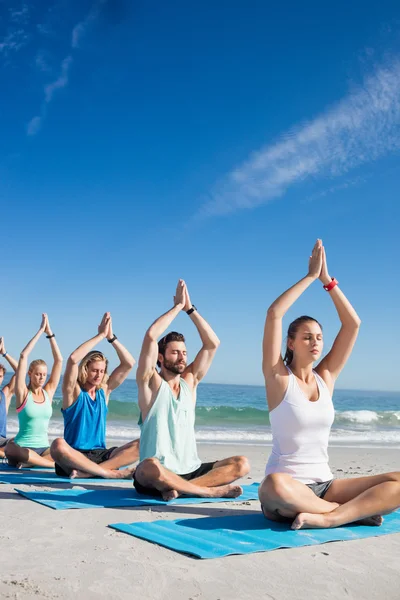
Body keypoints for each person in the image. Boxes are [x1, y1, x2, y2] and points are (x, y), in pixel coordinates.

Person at [259, 239, 400, 529]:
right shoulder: (278, 378)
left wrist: (328, 282)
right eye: (307, 336)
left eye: (319, 337)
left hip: (326, 484)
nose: (315, 342)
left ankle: (331, 517)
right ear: (291, 342)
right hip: (288, 488)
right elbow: (274, 314)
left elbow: (353, 324)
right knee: (272, 485)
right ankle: (346, 512)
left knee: (397, 481)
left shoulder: (326, 378)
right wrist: (310, 277)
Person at [133, 279, 250, 500]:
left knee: (241, 464)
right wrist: (177, 307)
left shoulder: (190, 382)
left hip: (190, 471)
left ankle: (181, 489)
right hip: (158, 472)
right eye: (175, 352)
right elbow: (151, 336)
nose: (182, 357)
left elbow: (212, 344)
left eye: (184, 353)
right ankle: (206, 491)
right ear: (161, 357)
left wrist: (190, 309)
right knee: (150, 466)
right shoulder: (151, 383)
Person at [50, 312, 139, 479]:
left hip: (100, 455)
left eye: (102, 371)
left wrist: (111, 338)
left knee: (143, 443)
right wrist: (100, 335)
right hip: (75, 456)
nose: (99, 375)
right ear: (85, 369)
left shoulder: (104, 391)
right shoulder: (74, 392)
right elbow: (73, 359)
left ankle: (90, 473)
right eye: (94, 370)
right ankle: (107, 473)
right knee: (57, 445)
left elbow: (129, 363)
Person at [5, 314, 63, 468]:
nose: (41, 377)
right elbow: (24, 356)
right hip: (23, 448)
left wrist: (49, 333)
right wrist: (40, 331)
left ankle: (33, 463)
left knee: (63, 449)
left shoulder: (48, 392)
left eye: (44, 374)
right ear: (29, 374)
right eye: (38, 374)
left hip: (44, 449)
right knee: (10, 448)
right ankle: (49, 465)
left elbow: (59, 361)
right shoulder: (23, 393)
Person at [0, 337, 18, 458]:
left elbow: (19, 371)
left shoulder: (5, 393)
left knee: (21, 443)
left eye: (0, 376)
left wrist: (4, 353)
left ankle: (5, 454)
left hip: (2, 441)